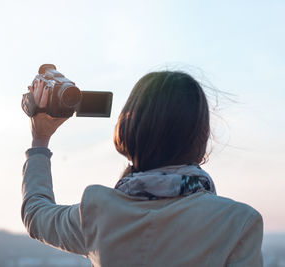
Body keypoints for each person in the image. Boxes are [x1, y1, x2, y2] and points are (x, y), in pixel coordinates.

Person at [21, 71, 263, 267]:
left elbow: (36, 214)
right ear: (200, 138)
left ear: (128, 128)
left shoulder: (97, 211)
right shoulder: (238, 223)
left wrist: (40, 140)